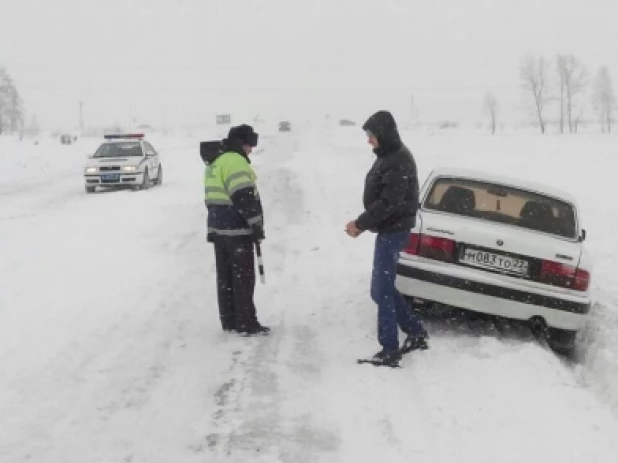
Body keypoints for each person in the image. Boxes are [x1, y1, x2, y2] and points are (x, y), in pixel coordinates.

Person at [345, 110, 428, 364]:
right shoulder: (389, 156)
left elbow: (389, 202)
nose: (369, 140)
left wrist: (360, 223)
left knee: (381, 291)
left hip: (394, 231)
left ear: (383, 134)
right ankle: (415, 331)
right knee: (380, 290)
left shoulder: (398, 160)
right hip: (390, 229)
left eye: (371, 135)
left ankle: (390, 350)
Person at [202, 124, 269, 335]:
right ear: (242, 142)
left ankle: (230, 320)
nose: (252, 149)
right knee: (243, 279)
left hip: (220, 231)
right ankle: (246, 323)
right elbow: (244, 197)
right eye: (251, 143)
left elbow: (211, 199)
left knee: (226, 279)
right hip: (237, 231)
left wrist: (213, 228)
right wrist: (256, 224)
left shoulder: (216, 161)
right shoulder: (235, 162)